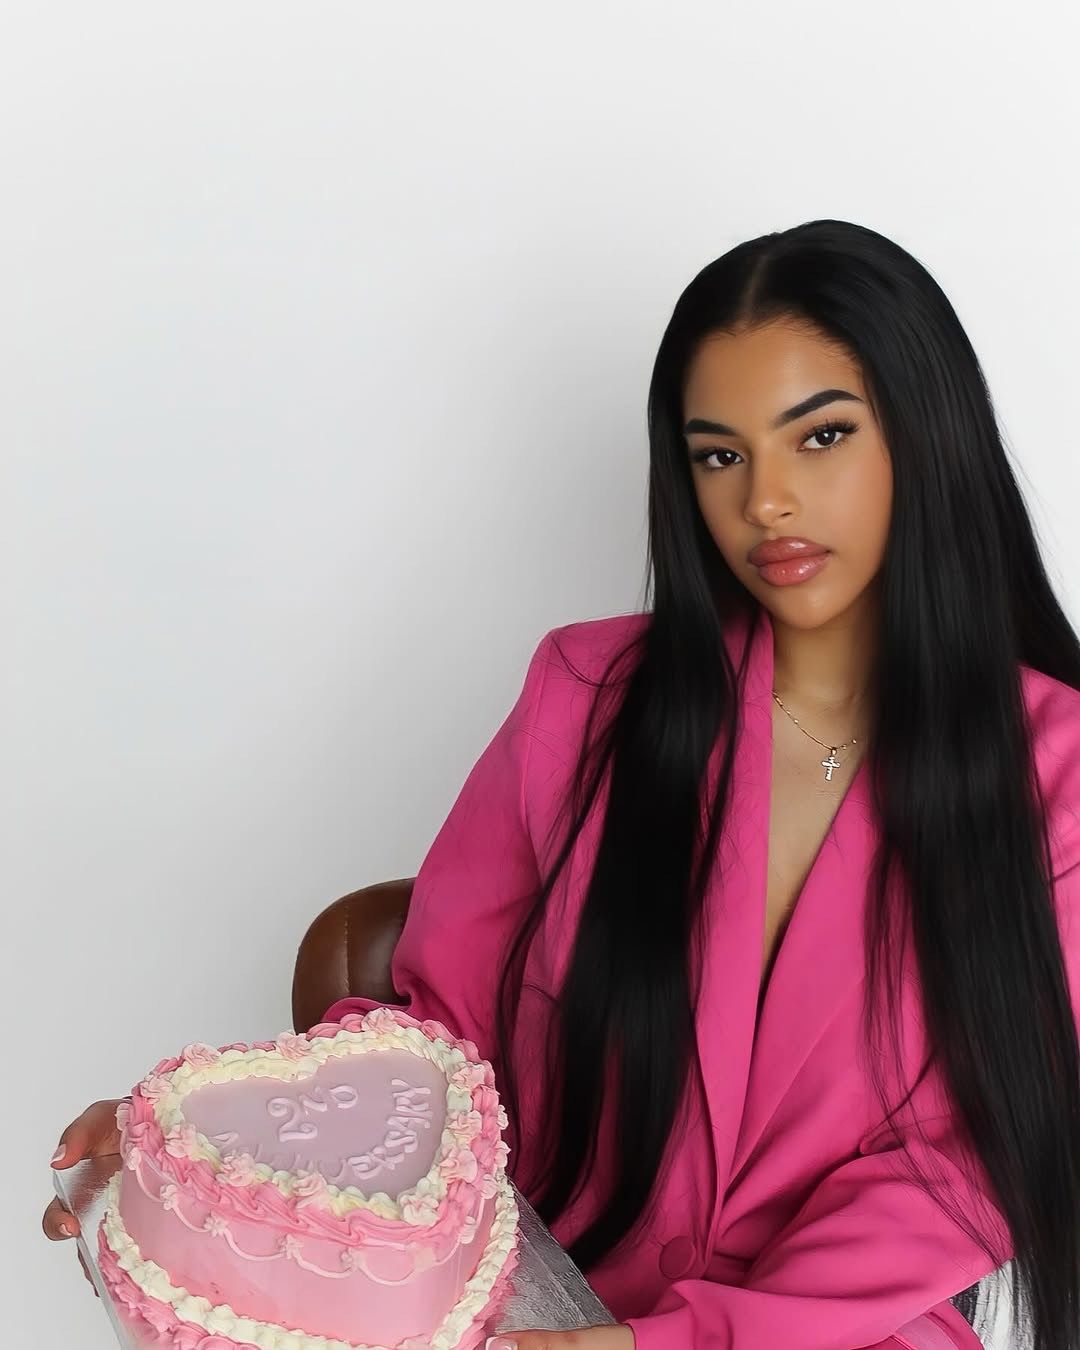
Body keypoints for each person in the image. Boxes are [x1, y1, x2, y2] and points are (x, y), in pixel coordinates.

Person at [43, 219, 1080, 1350]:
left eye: (819, 437)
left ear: (928, 437)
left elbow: (970, 1163)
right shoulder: (585, 698)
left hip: (833, 1334)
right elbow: (441, 1042)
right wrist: (199, 1153)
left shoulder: (1058, 776)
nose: (767, 502)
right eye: (719, 454)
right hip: (540, 1301)